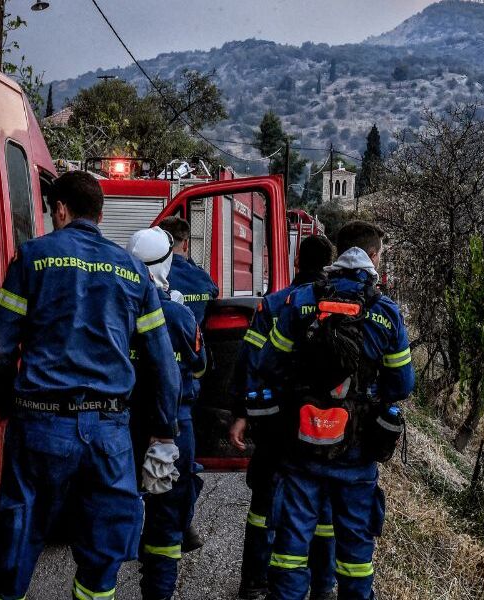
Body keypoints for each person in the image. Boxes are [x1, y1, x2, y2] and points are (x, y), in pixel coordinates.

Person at [0, 171, 181, 600]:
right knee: (102, 553)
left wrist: (4, 407)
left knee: (17, 536)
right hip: (109, 434)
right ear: (101, 214)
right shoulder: (132, 271)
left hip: (40, 427)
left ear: (61, 209)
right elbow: (162, 363)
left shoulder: (33, 258)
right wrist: (164, 432)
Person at [262, 221, 415, 600]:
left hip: (301, 449)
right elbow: (403, 385)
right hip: (357, 455)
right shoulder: (386, 313)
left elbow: (270, 365)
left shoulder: (300, 302)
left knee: (289, 552)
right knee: (356, 560)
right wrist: (366, 394)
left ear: (336, 251)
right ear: (374, 257)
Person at [227, 234, 338, 600]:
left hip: (276, 421)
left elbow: (250, 362)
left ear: (295, 264)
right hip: (323, 427)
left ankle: (255, 582)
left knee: (263, 504)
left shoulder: (274, 305)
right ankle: (321, 585)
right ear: (328, 267)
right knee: (322, 507)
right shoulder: (337, 306)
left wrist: (241, 412)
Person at [126, 227, 208, 600]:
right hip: (174, 427)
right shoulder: (178, 314)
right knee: (166, 521)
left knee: (113, 510)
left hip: (120, 426)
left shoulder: (115, 311)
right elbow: (202, 366)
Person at [159, 215, 219, 551]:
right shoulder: (202, 282)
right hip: (186, 383)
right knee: (183, 460)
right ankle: (182, 524)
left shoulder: (147, 277)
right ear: (185, 243)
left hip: (146, 382)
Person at [160, 216, 218, 326]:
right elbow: (215, 291)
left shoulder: (154, 276)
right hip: (195, 341)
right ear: (186, 244)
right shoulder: (202, 278)